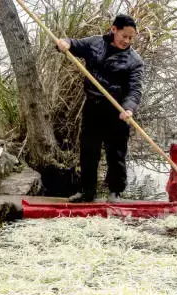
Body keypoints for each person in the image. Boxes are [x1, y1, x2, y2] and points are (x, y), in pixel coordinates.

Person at [56, 15, 145, 203]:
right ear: (114, 30)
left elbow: (135, 89)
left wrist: (128, 108)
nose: (127, 41)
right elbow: (72, 44)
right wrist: (63, 43)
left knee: (117, 154)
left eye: (131, 38)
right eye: (124, 36)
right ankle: (87, 192)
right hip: (93, 108)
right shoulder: (94, 43)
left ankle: (115, 193)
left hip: (118, 112)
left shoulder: (135, 60)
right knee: (89, 152)